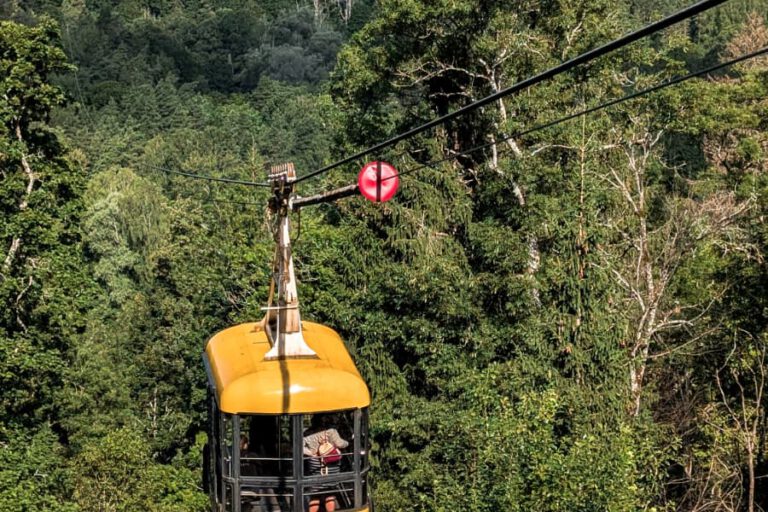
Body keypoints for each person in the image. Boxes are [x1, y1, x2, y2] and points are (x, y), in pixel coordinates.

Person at [303, 414, 349, 512]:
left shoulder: (307, 433)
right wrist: (348, 443)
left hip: (315, 464)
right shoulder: (331, 432)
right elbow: (340, 444)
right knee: (330, 495)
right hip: (331, 463)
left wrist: (312, 454)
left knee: (314, 495)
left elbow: (300, 447)